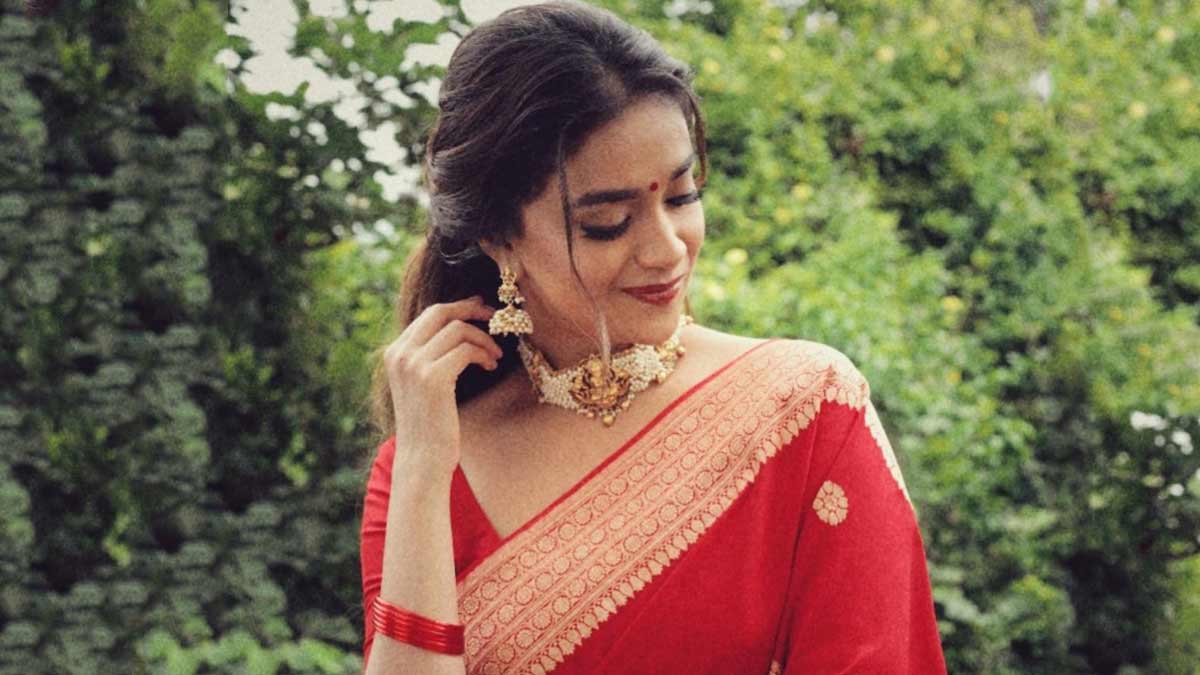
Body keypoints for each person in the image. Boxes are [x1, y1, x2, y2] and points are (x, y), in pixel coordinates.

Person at [358, 1, 947, 673]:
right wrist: (424, 469)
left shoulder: (804, 408)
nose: (667, 249)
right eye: (608, 222)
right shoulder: (425, 467)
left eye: (682, 196)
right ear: (499, 237)